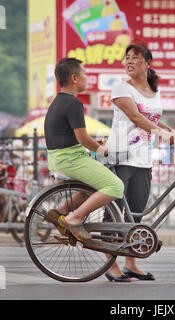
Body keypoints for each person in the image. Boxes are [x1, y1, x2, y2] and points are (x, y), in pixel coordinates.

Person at [102, 43, 175, 282]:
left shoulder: (154, 91)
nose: (129, 61)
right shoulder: (120, 87)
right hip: (121, 157)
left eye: (135, 57)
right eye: (127, 57)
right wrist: (161, 133)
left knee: (135, 214)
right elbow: (135, 116)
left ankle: (131, 263)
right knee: (114, 214)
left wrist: (172, 132)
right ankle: (111, 264)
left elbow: (153, 118)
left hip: (143, 160)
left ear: (147, 63)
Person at [44, 57, 124, 241]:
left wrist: (97, 147)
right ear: (74, 78)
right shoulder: (73, 103)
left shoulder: (58, 102)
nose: (87, 78)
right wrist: (102, 149)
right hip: (71, 160)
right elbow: (82, 138)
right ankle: (75, 218)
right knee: (115, 186)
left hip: (60, 159)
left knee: (91, 187)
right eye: (84, 74)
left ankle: (62, 211)